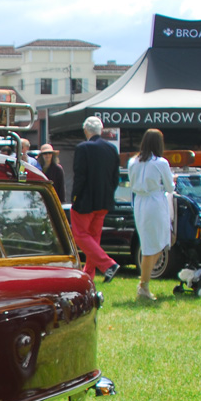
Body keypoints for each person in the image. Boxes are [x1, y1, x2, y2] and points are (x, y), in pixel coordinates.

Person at [71, 115, 120, 281]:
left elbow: (80, 176)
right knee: (93, 238)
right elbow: (115, 177)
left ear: (86, 130)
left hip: (85, 200)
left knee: (80, 235)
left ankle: (108, 264)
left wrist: (75, 197)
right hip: (104, 200)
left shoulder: (83, 148)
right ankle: (90, 274)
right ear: (101, 130)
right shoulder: (112, 149)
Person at [128, 129, 175, 301]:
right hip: (155, 202)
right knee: (154, 244)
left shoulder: (133, 161)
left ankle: (144, 283)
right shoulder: (160, 162)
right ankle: (144, 285)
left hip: (140, 203)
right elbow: (170, 187)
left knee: (151, 242)